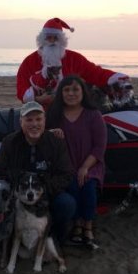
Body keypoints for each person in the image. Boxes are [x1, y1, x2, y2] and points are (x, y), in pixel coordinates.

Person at [0, 101, 76, 244]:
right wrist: (15, 190)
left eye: (38, 119)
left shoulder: (56, 142)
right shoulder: (9, 142)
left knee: (67, 203)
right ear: (21, 122)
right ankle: (7, 237)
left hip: (45, 193)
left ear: (45, 121)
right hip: (18, 193)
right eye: (29, 120)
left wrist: (44, 190)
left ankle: (55, 237)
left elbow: (66, 174)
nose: (34, 124)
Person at [46, 75, 107, 250]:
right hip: (66, 165)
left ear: (82, 92)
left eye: (75, 89)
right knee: (72, 184)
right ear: (61, 93)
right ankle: (77, 225)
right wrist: (52, 134)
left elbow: (99, 147)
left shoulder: (93, 115)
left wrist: (85, 167)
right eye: (66, 90)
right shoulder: (55, 114)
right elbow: (45, 139)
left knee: (87, 185)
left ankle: (87, 226)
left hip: (91, 163)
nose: (71, 93)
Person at [16, 17, 132, 108]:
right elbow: (21, 89)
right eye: (48, 37)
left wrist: (115, 78)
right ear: (42, 39)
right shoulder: (29, 62)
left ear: (61, 40)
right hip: (39, 113)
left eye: (55, 38)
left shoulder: (74, 58)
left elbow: (95, 72)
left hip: (70, 111)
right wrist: (38, 99)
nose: (52, 41)